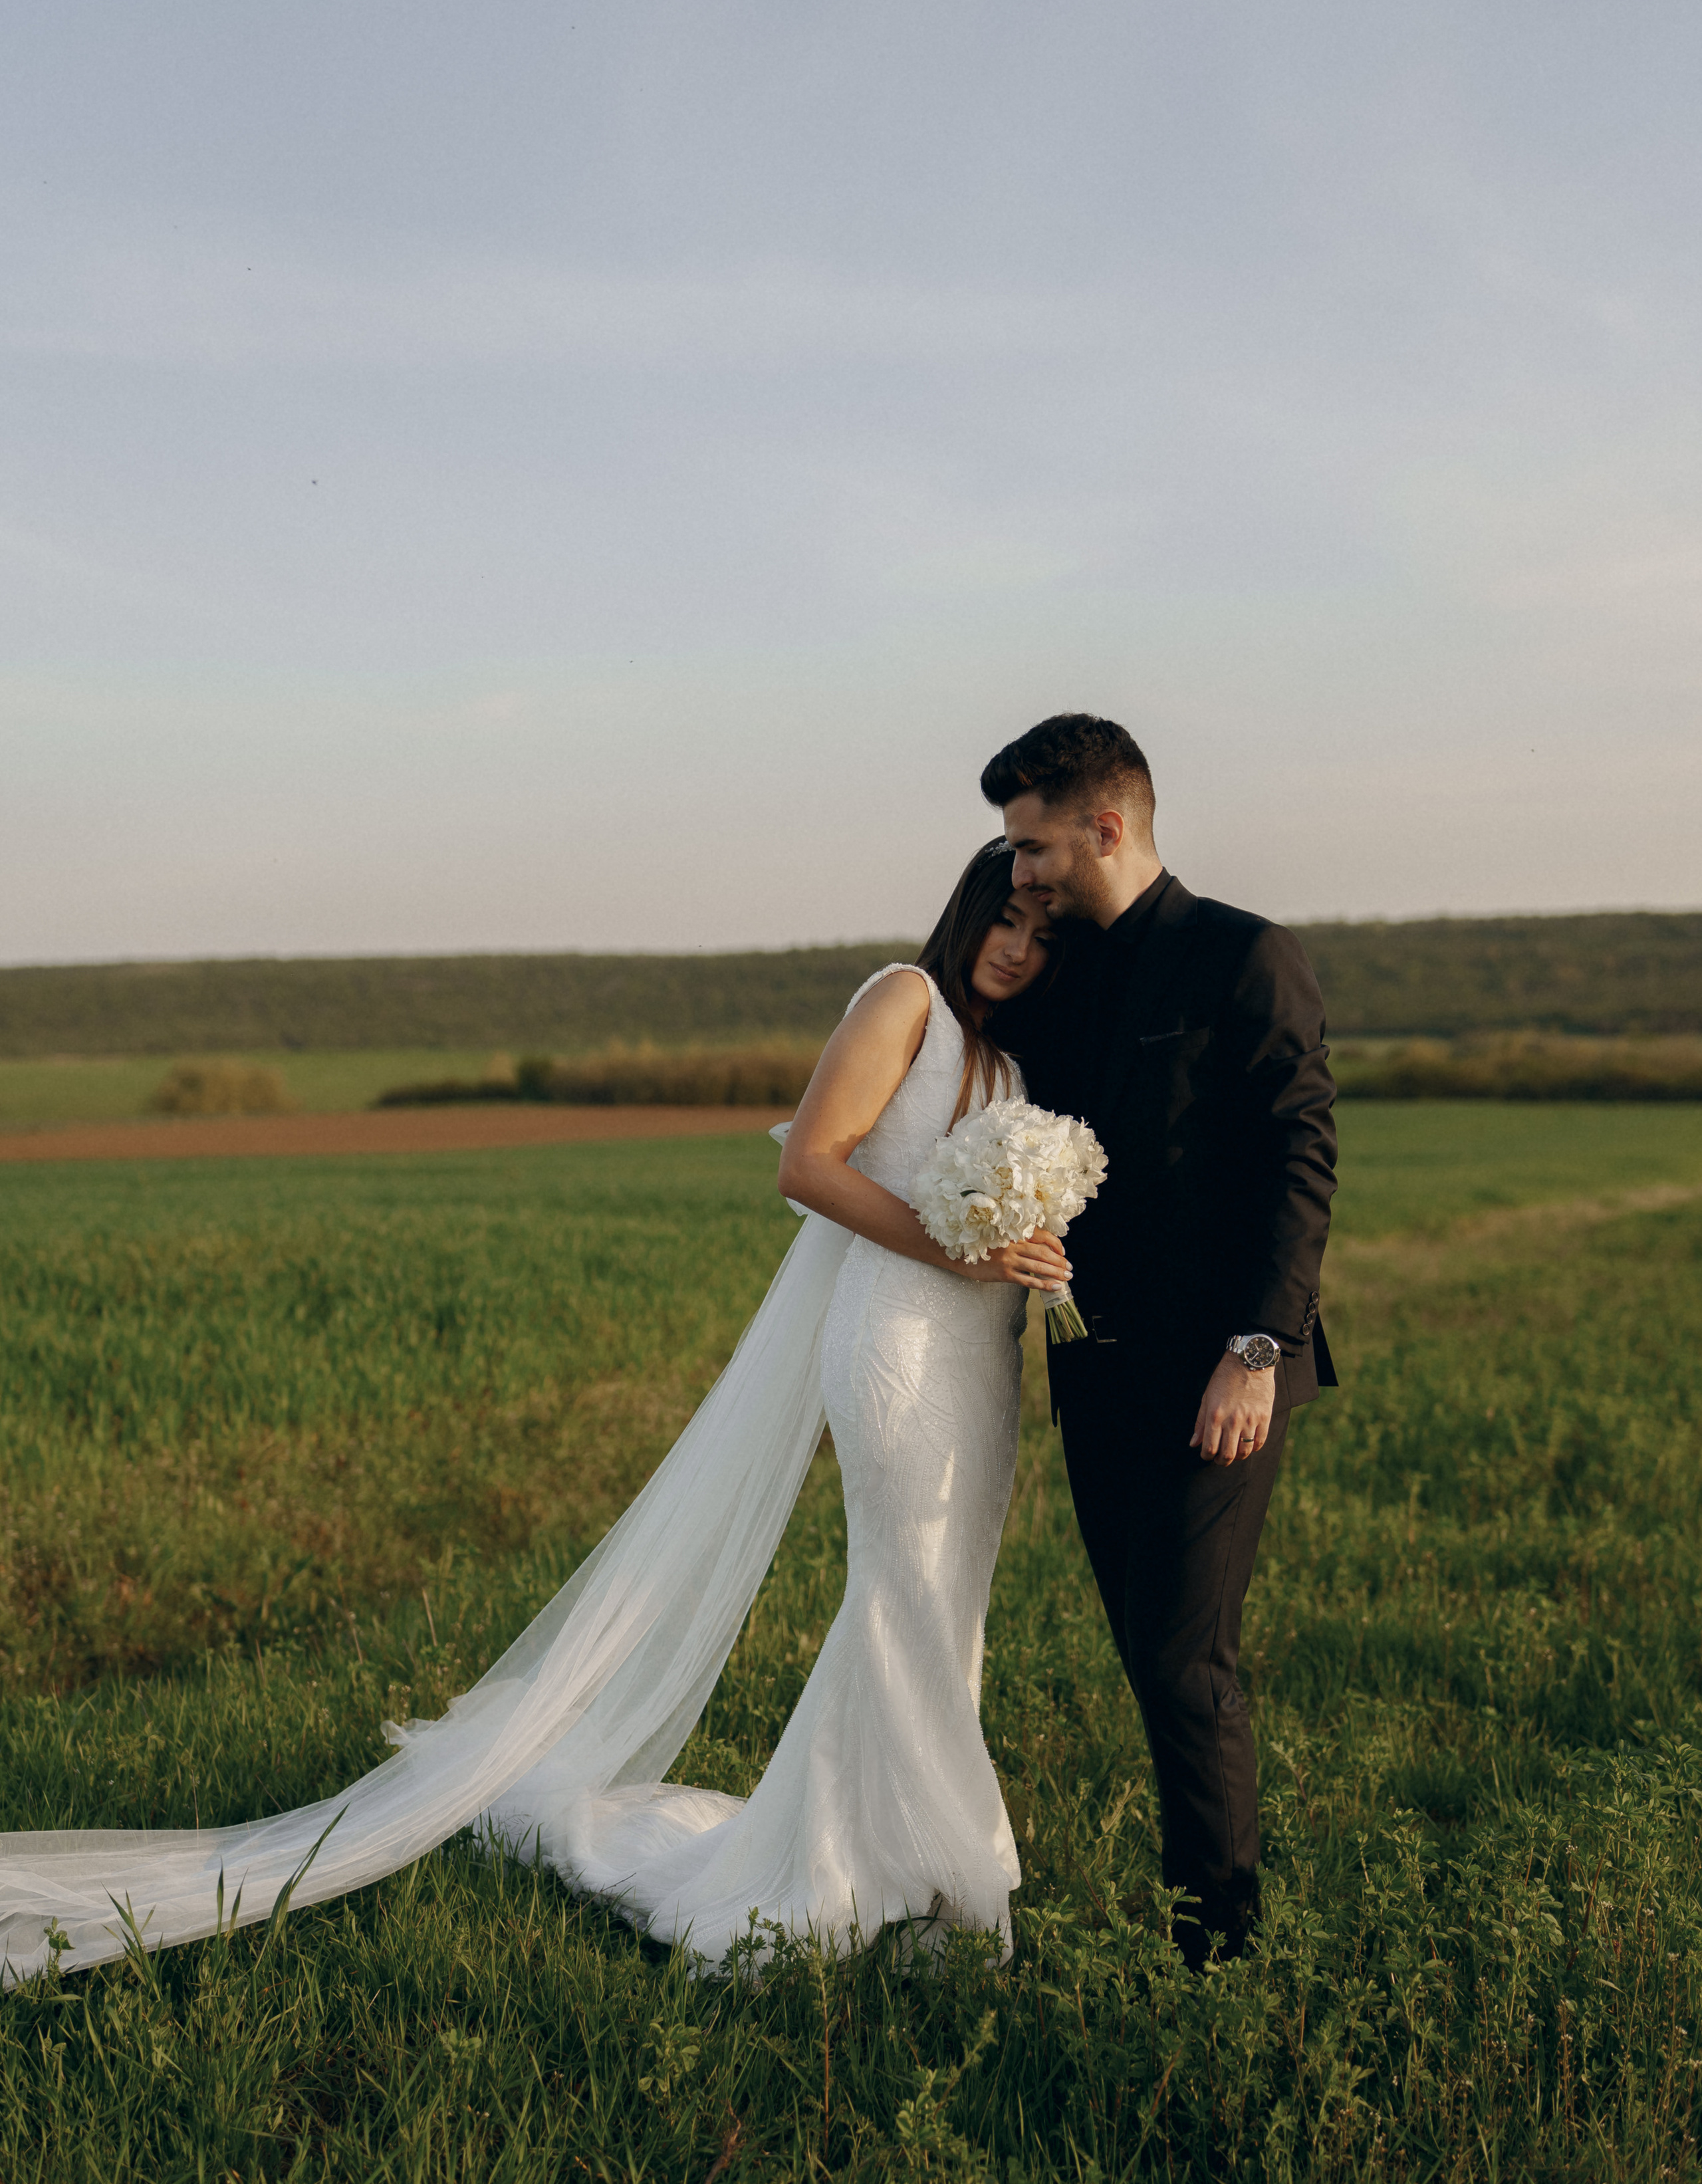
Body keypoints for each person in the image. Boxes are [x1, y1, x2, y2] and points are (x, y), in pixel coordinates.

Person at [1, 845, 1064, 1985]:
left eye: (1045, 936)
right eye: (1004, 920)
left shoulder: (1013, 1057)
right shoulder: (905, 1000)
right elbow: (809, 1166)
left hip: (978, 1357)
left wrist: (1027, 1246)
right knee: (902, 1596)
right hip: (897, 1343)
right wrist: (958, 1248)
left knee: (947, 1602)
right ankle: (908, 1883)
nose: (1018, 948)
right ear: (967, 911)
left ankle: (900, 1864)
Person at [981, 713, 1337, 1967]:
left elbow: (1301, 1159)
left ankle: (1221, 1956)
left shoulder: (1245, 953)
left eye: (1033, 847)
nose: (1019, 871)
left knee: (1187, 1663)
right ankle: (1205, 1924)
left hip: (1222, 1373)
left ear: (1106, 826)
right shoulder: (1059, 974)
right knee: (1148, 1653)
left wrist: (1257, 1350)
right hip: (1094, 1371)